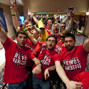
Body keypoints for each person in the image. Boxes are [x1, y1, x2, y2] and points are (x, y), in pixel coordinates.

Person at [0, 24, 42, 89]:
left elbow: (35, 59)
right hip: (14, 82)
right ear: (16, 38)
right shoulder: (10, 44)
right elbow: (2, 35)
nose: (22, 39)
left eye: (24, 38)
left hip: (25, 79)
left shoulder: (27, 49)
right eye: (20, 37)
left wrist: (39, 65)